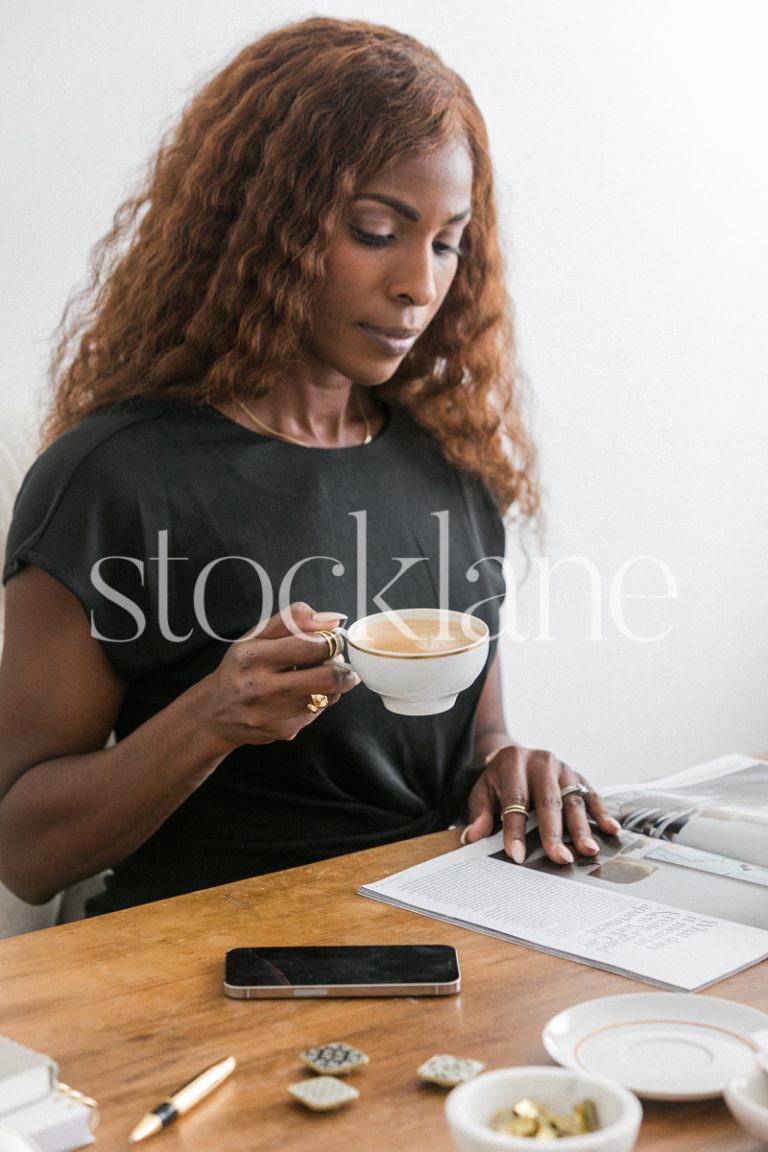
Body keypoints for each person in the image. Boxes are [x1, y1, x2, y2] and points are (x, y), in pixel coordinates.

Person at [0, 17, 618, 916]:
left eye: (448, 242)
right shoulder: (115, 478)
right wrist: (212, 717)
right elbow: (22, 848)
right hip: (207, 954)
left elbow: (476, 727)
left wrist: (505, 765)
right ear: (262, 225)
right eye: (376, 231)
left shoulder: (450, 459)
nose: (420, 284)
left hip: (444, 924)